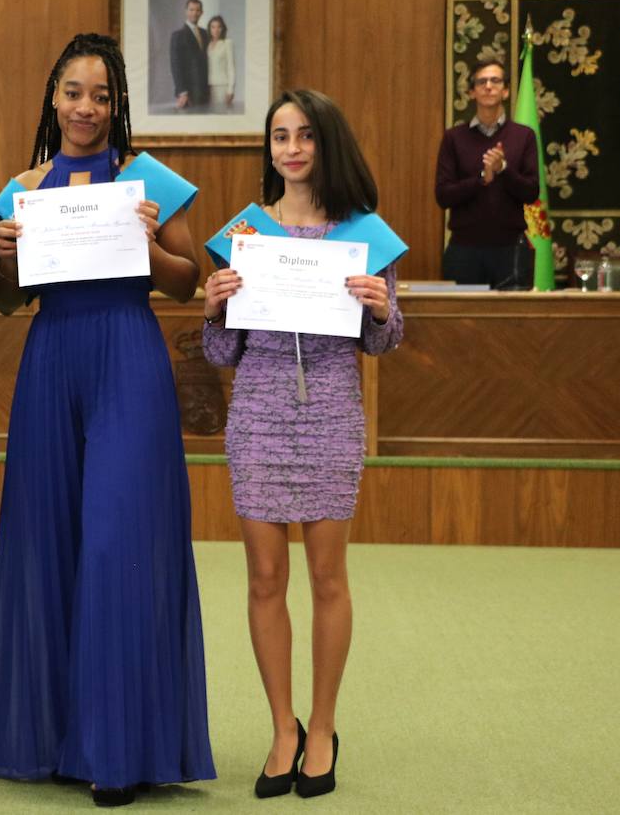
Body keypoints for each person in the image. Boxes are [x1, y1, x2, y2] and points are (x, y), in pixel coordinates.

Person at [0, 32, 215, 808]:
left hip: (126, 359)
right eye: (73, 92)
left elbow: (190, 285)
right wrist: (3, 258)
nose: (86, 107)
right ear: (53, 97)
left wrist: (150, 246)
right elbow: (10, 301)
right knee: (49, 542)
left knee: (120, 542)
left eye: (101, 95)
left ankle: (121, 749)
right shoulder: (19, 184)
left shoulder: (150, 179)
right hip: (52, 362)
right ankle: (55, 741)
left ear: (117, 105)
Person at [202, 89, 405, 799]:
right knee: (264, 579)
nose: (290, 148)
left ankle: (322, 726)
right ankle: (281, 726)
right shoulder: (244, 233)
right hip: (256, 413)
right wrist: (215, 306)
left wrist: (380, 309)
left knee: (326, 580)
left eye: (305, 135)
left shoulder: (364, 235)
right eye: (279, 136)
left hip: (331, 413)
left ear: (327, 144)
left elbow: (385, 340)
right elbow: (223, 352)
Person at [435, 58, 539, 287]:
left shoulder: (524, 136)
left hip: (511, 249)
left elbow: (531, 192)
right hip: (464, 251)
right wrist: (481, 179)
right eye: (481, 82)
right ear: (472, 92)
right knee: (461, 322)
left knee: (513, 322)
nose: (488, 86)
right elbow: (443, 195)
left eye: (495, 80)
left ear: (505, 90)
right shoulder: (454, 138)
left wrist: (503, 169)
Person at [169, 0, 209, 110]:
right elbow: (175, 65)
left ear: (201, 12)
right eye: (191, 10)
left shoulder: (205, 33)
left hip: (205, 90)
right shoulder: (178, 36)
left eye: (197, 10)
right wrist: (182, 91)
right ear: (186, 11)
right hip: (188, 92)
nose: (194, 13)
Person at [206, 15, 236, 110]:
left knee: (221, 114)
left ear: (223, 28)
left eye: (219, 27)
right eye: (213, 27)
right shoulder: (207, 44)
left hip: (222, 86)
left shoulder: (227, 43)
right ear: (209, 29)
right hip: (207, 87)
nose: (216, 30)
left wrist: (230, 90)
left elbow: (231, 67)